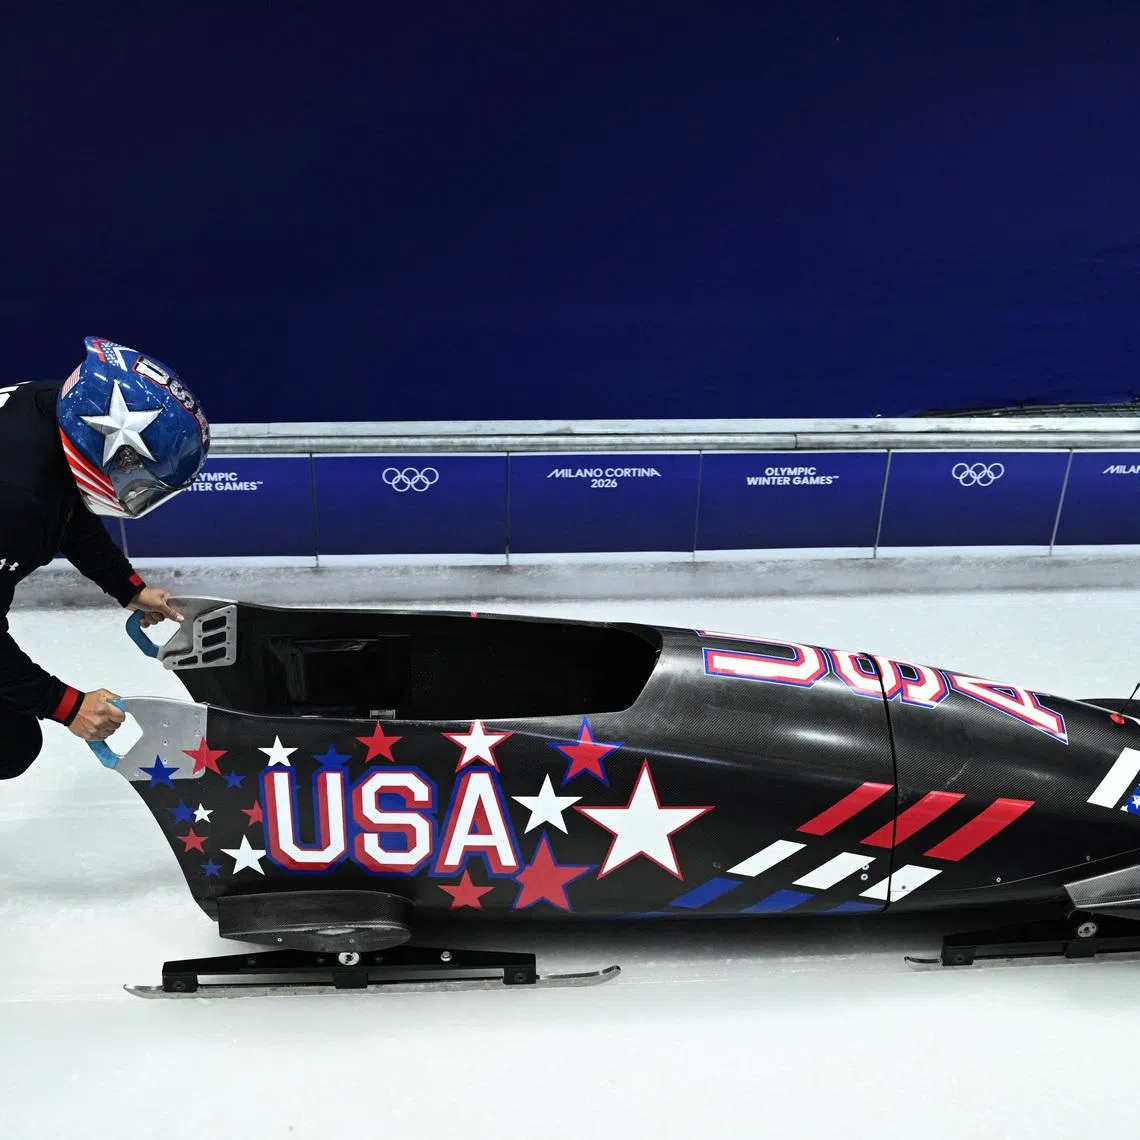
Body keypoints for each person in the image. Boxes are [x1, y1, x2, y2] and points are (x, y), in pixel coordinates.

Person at [0, 336, 210, 779]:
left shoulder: (47, 407)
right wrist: (66, 704)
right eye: (133, 473)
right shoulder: (15, 503)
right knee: (8, 740)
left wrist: (127, 587)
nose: (131, 486)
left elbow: (65, 505)